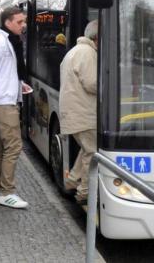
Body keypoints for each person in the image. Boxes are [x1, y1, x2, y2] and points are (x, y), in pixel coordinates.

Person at [0, 7, 31, 208]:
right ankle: (7, 192)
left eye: (23, 21)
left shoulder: (7, 41)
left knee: (0, 147)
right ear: (7, 22)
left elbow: (5, 72)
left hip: (4, 99)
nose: (23, 25)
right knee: (13, 147)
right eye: (19, 22)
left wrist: (19, 85)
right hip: (3, 103)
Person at [58, 20, 99, 205]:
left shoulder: (73, 51)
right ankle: (85, 193)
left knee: (86, 148)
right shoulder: (88, 53)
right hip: (84, 113)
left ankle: (72, 181)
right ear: (97, 37)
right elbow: (91, 84)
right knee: (92, 152)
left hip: (73, 112)